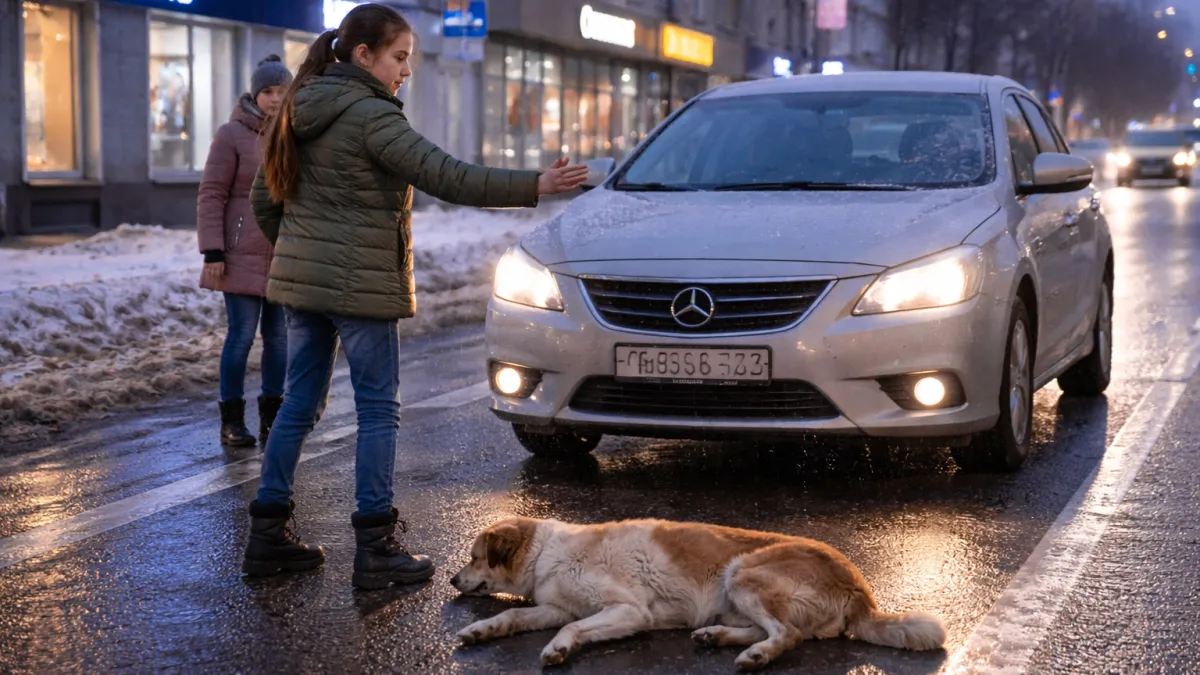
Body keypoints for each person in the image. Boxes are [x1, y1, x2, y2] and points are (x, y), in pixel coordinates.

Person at [241, 3, 588, 590]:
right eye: (400, 58)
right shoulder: (370, 116)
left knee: (298, 405)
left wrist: (303, 254)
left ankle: (267, 538)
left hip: (304, 288)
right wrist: (537, 184)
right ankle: (375, 547)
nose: (406, 71)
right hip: (361, 289)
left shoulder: (298, 108)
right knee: (379, 408)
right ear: (363, 56)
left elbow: (264, 200)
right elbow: (445, 175)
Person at [197, 55, 294, 448]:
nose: (274, 98)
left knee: (280, 337)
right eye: (267, 91)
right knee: (240, 337)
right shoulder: (231, 134)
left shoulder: (296, 132)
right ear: (255, 94)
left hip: (285, 252)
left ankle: (272, 420)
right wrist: (213, 250)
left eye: (281, 90)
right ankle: (232, 421)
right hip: (239, 253)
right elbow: (212, 193)